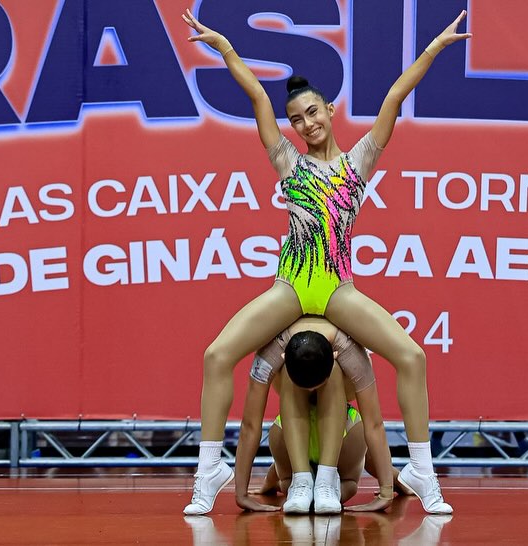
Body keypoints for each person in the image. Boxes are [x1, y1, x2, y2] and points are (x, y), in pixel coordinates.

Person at [181, 7, 471, 516]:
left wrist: (434, 48)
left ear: (330, 110)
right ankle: (209, 470)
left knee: (413, 358)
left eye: (312, 113)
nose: (305, 124)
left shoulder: (358, 162)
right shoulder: (287, 163)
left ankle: (422, 470)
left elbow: (395, 97)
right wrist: (225, 48)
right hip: (291, 286)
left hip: (337, 288)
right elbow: (257, 96)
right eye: (296, 119)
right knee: (215, 355)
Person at [231, 316, 399, 515]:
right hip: (290, 435)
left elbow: (374, 425)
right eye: (305, 388)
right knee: (288, 484)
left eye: (317, 386)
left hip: (344, 434)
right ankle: (301, 480)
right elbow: (250, 424)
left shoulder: (353, 356)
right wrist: (241, 493)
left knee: (349, 478)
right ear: (284, 356)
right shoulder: (269, 357)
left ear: (335, 354)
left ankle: (325, 481)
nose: (311, 391)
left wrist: (388, 490)